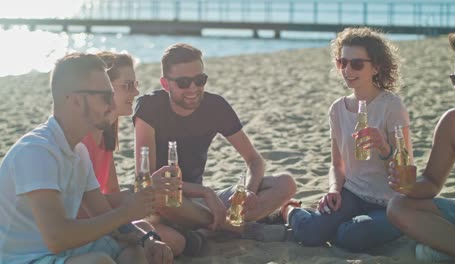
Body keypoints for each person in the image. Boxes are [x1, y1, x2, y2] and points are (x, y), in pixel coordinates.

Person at [0, 53, 173, 264]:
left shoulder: (78, 152)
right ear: (75, 101)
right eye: (105, 96)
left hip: (60, 253)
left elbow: (104, 214)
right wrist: (128, 211)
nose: (112, 104)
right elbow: (57, 238)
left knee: (133, 246)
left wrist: (147, 239)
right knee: (99, 261)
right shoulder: (37, 152)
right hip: (22, 258)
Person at [133, 43, 296, 241]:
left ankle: (214, 228)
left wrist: (249, 194)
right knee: (162, 196)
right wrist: (206, 192)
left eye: (200, 80)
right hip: (166, 204)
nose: (193, 88)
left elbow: (255, 160)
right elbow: (148, 180)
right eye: (183, 82)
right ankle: (236, 228)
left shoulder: (216, 106)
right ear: (166, 84)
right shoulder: (149, 108)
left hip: (201, 204)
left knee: (285, 183)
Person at [282, 27, 412, 252]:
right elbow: (336, 164)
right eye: (343, 62)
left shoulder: (391, 106)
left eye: (357, 64)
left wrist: (383, 146)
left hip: (390, 203)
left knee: (351, 235)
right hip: (351, 193)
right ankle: (289, 210)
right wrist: (334, 189)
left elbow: (406, 171)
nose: (348, 70)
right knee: (311, 233)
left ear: (377, 67)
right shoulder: (337, 109)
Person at [79, 51, 185, 257]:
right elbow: (88, 207)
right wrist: (141, 195)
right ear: (103, 89)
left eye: (135, 84)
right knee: (162, 241)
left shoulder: (106, 132)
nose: (136, 92)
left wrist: (142, 197)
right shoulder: (82, 140)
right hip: (86, 226)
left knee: (172, 240)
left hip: (102, 219)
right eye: (127, 86)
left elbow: (111, 191)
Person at [387, 28, 455, 262]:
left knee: (430, 254)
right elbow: (432, 183)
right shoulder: (453, 122)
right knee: (399, 206)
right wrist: (408, 186)